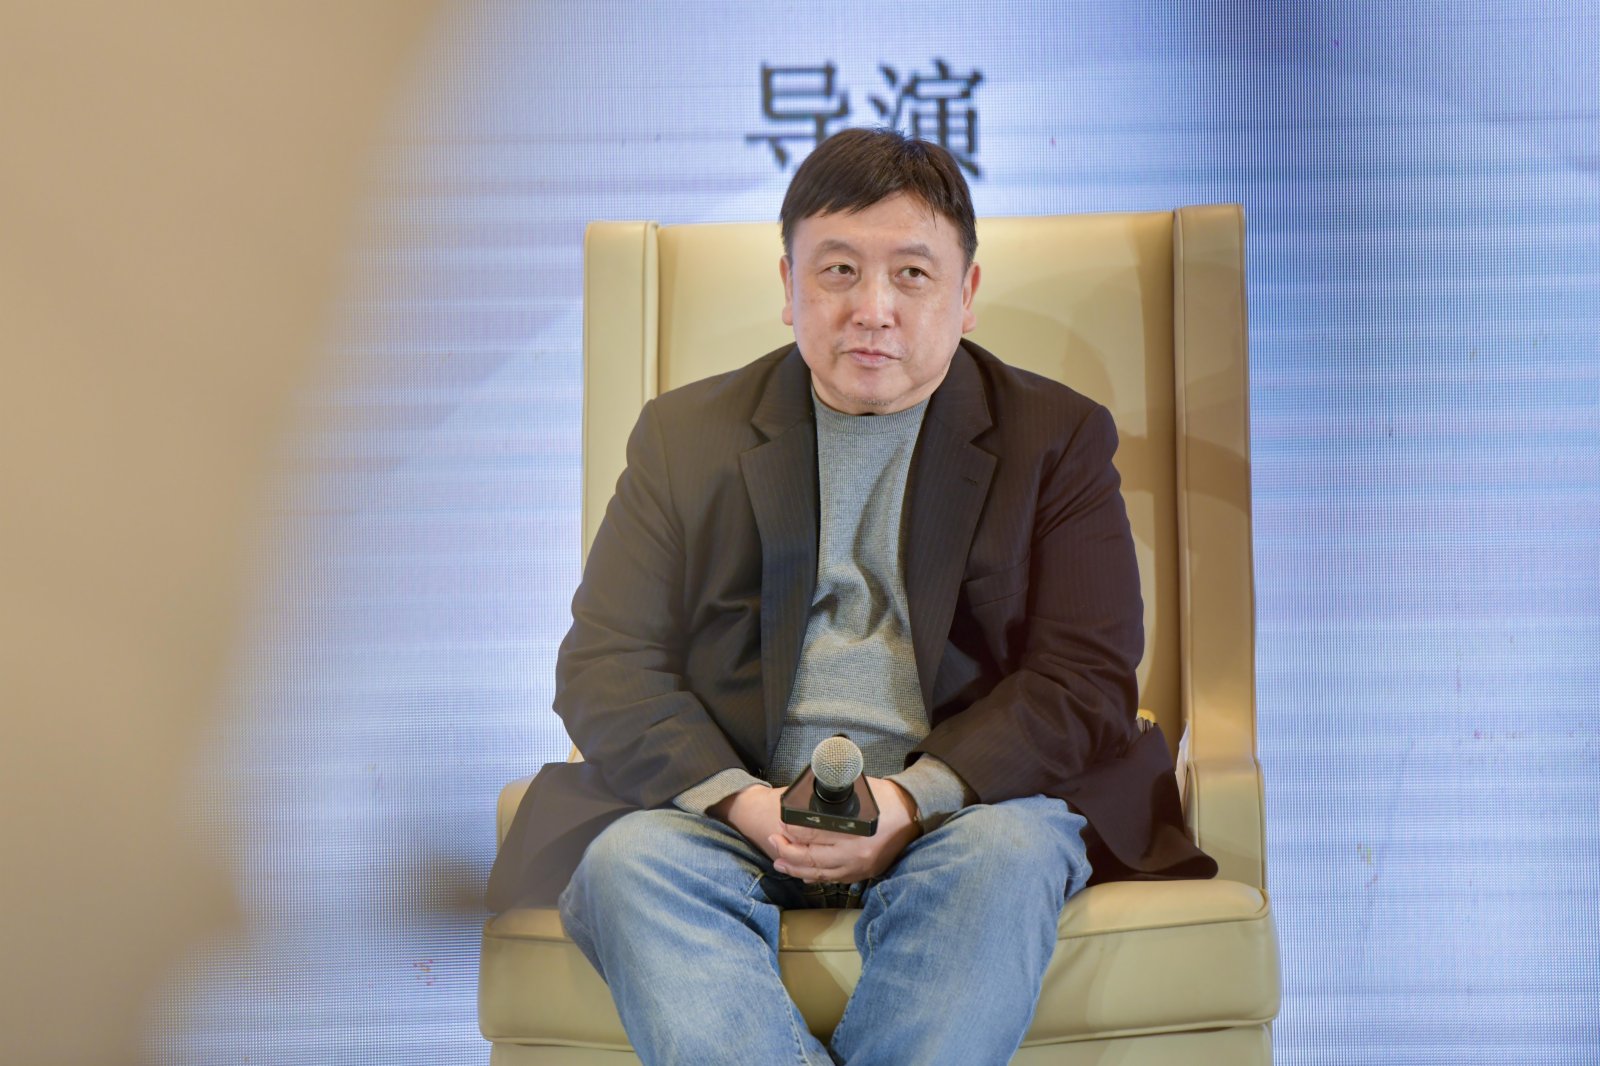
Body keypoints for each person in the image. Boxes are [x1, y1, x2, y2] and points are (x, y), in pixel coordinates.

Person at [485, 127, 1214, 1065]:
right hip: (739, 809)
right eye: (838, 271)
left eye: (911, 274)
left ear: (966, 294)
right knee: (628, 865)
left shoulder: (1055, 437)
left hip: (965, 815)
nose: (872, 309)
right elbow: (606, 664)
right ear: (788, 286)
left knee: (1007, 857)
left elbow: (1086, 678)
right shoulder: (685, 436)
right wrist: (742, 804)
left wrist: (910, 801)